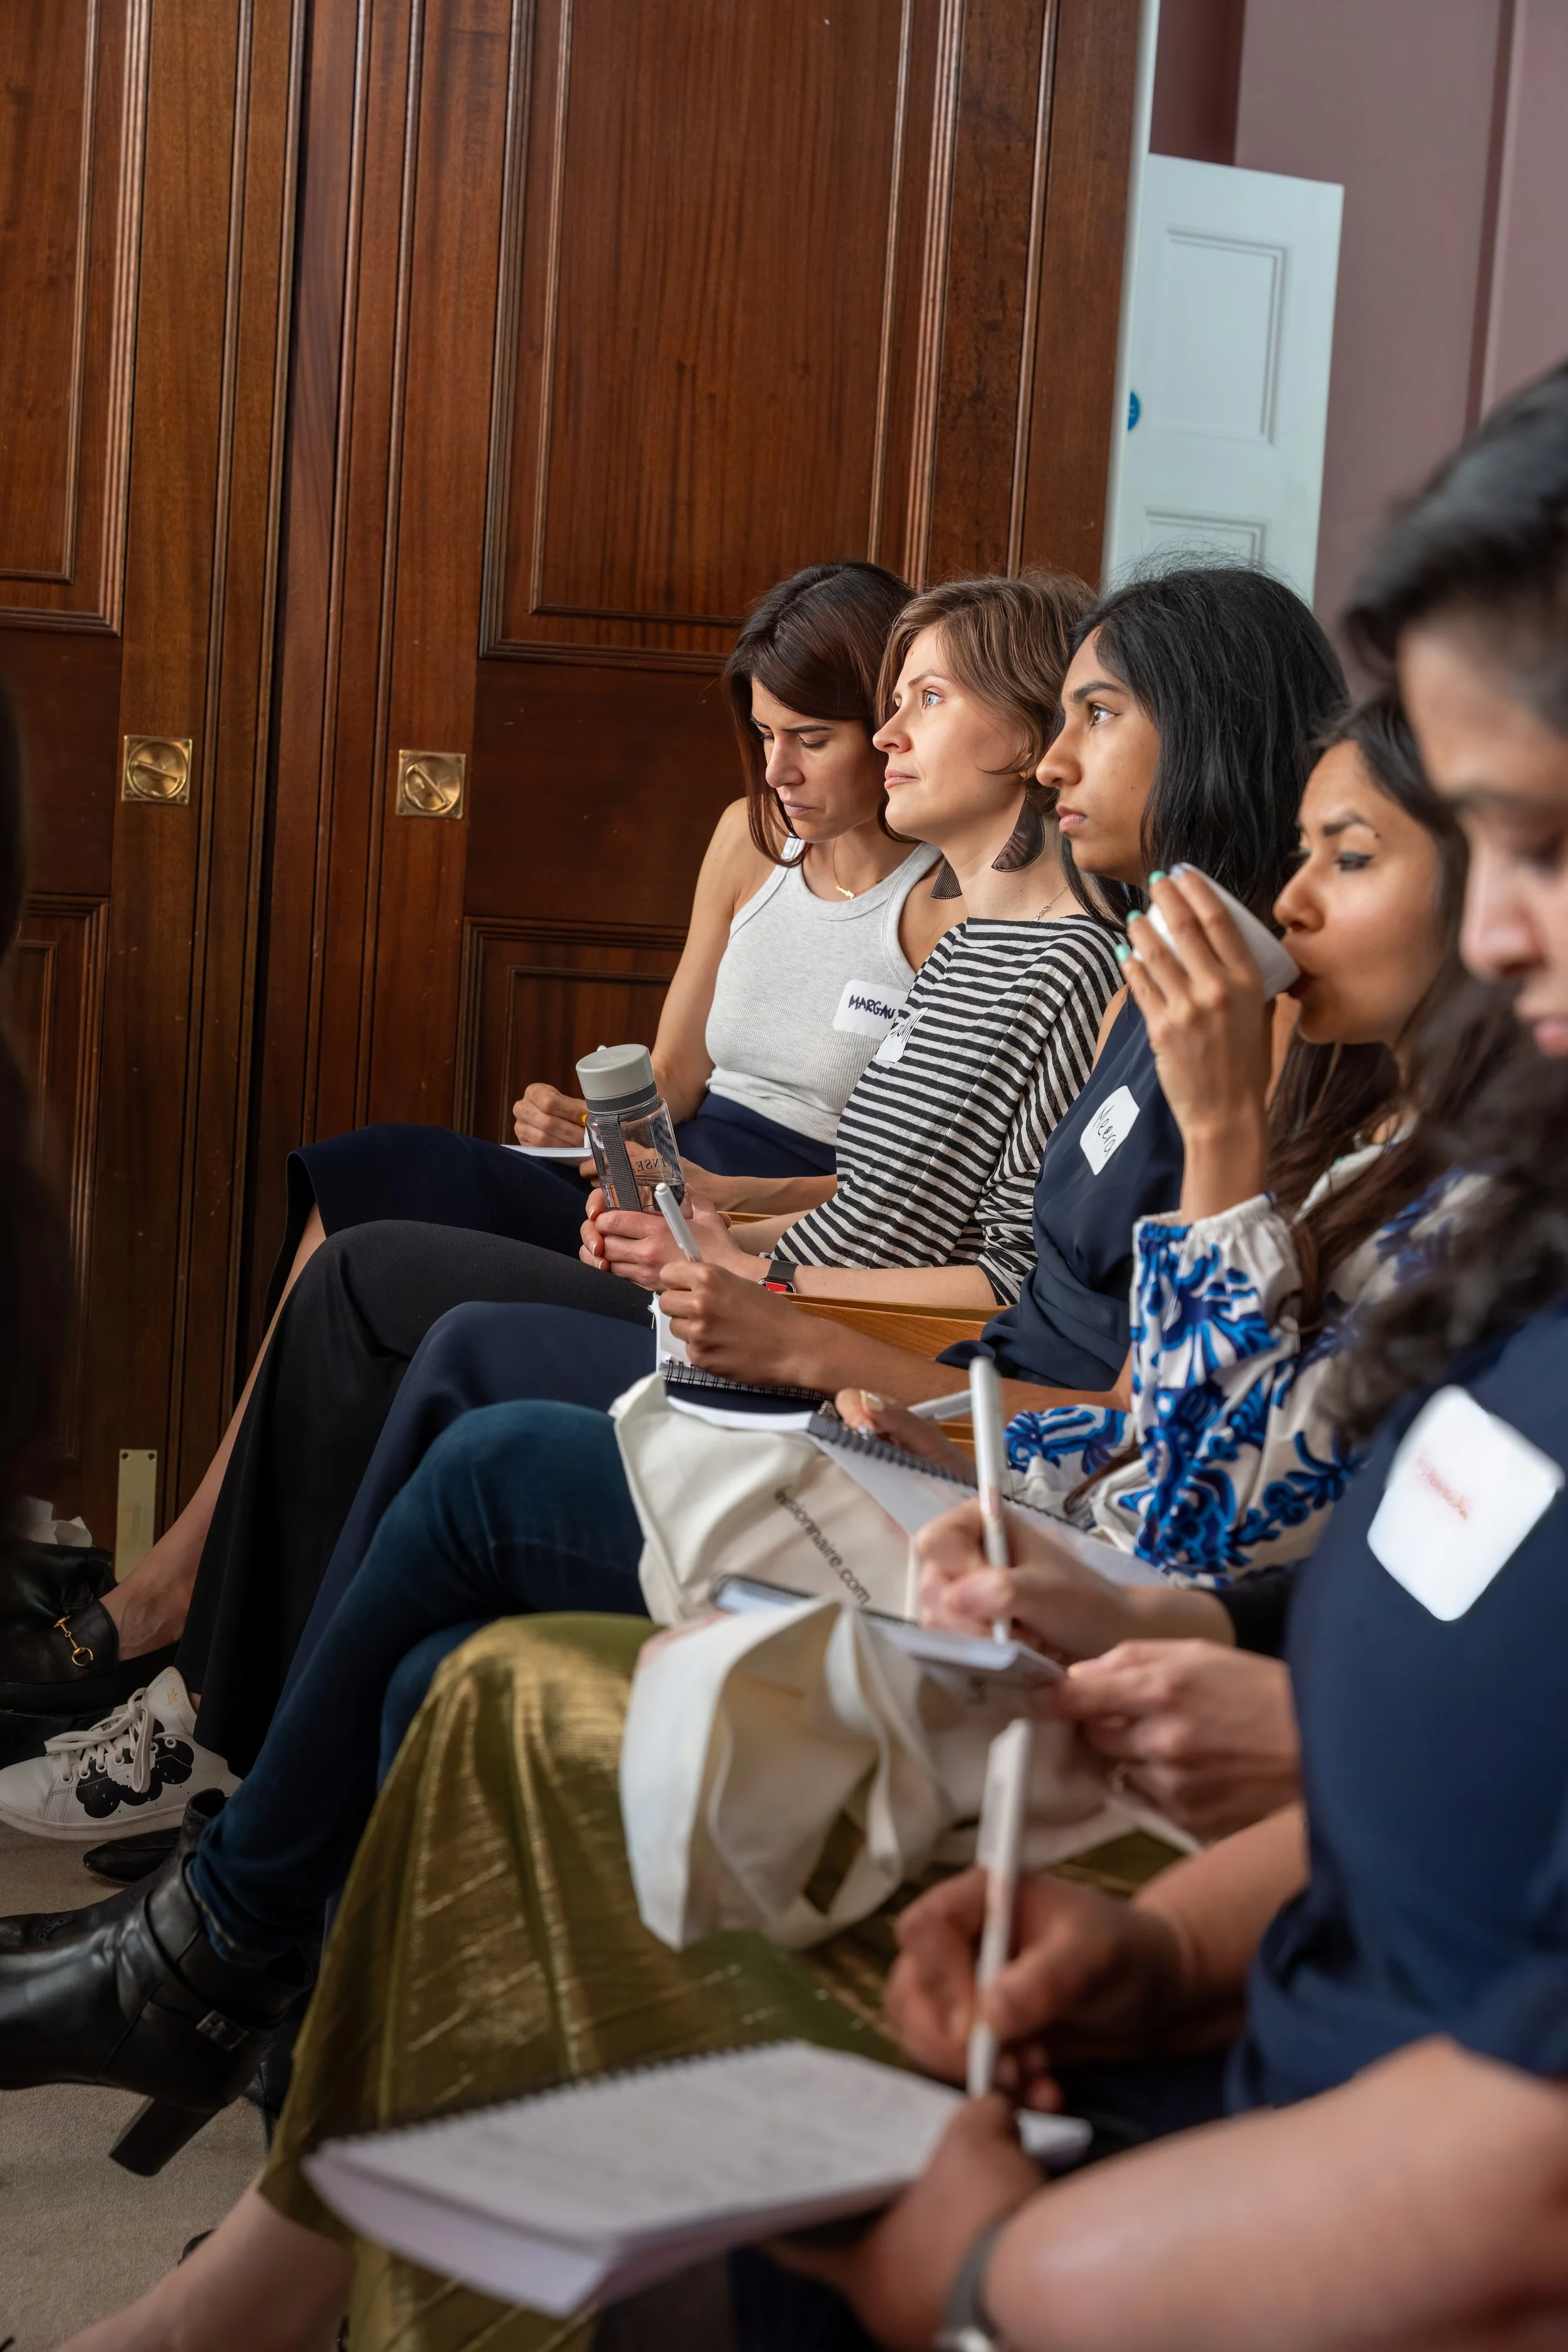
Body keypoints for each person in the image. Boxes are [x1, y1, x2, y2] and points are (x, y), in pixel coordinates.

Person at [40, 359, 1568, 2352]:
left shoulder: (1178, 1036)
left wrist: (873, 1347)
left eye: (1395, 853)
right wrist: (1151, 1920)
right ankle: (229, 2009)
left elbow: (1190, 1488)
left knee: (483, 1461)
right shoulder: (1397, 1151)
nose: (1300, 894)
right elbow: (1238, 1545)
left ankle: (211, 1935)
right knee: (437, 1470)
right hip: (1030, 1538)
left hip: (1023, 1528)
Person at [0, 559, 951, 1719]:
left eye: (812, 738)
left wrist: (717, 1192)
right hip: (657, 1172)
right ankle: (178, 1590)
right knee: (367, 1175)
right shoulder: (747, 839)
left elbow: (903, 1183)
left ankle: (176, 1611)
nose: (779, 771)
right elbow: (675, 1073)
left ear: (887, 720)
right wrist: (587, 1121)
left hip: (757, 1213)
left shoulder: (944, 904)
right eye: (762, 736)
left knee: (380, 1273)